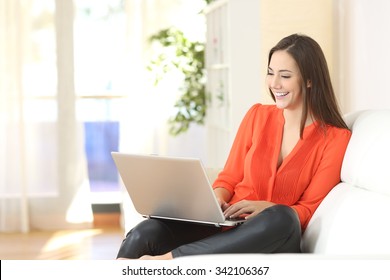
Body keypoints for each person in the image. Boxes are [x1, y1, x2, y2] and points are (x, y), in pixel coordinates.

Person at [116, 33, 352, 260]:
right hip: (227, 225)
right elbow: (228, 177)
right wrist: (216, 198)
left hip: (270, 234)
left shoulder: (335, 138)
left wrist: (266, 208)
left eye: (285, 76)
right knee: (145, 232)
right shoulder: (257, 115)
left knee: (283, 217)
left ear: (310, 79)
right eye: (270, 73)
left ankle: (172, 259)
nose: (274, 84)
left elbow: (308, 210)